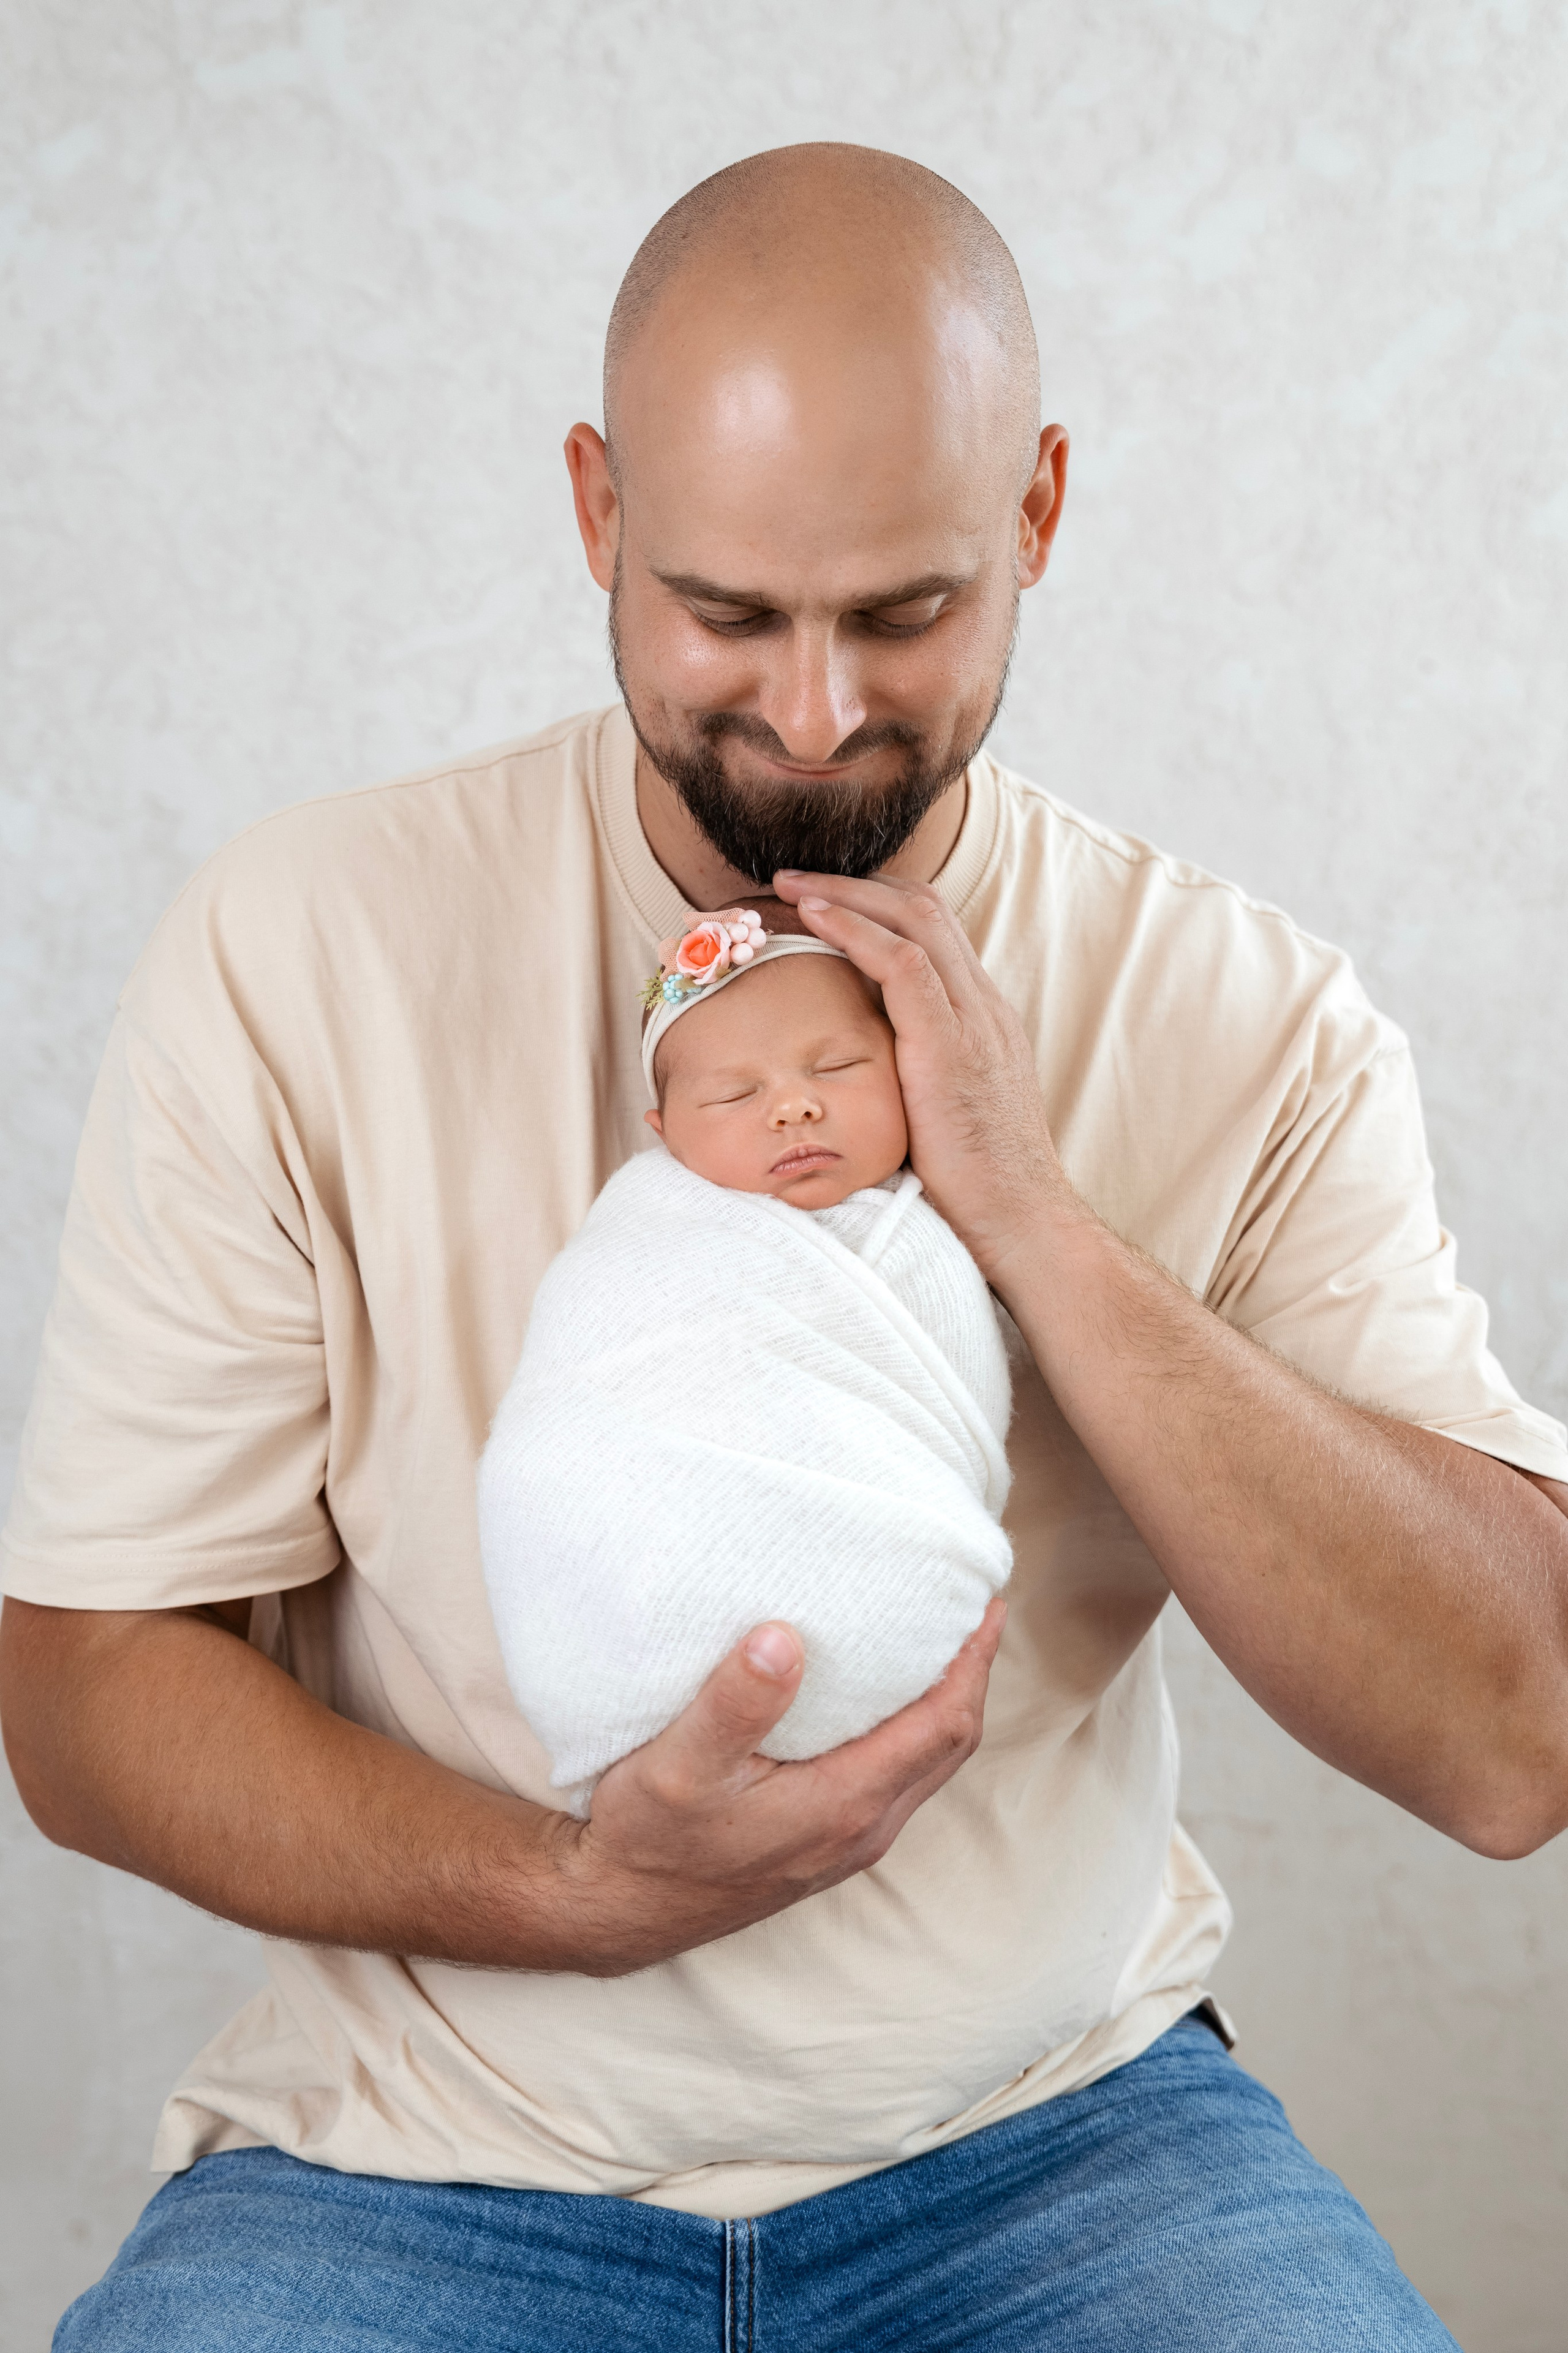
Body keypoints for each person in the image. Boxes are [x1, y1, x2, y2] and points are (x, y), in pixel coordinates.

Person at [3, 141, 1567, 2350]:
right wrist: (572, 1894)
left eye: (906, 612)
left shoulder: (1244, 1013)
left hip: (1064, 2143)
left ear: (1034, 516)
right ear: (595, 517)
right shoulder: (302, 945)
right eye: (727, 613)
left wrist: (1032, 1214)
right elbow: (82, 1695)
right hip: (414, 2170)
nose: (817, 714)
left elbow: (1518, 1734)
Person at [478, 904, 1012, 1816]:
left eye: (837, 1067)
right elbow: (575, 1415)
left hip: (864, 1600)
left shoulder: (921, 1241)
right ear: (666, 1132)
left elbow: (961, 1426)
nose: (793, 1105)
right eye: (734, 1095)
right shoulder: (644, 1232)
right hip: (623, 1595)